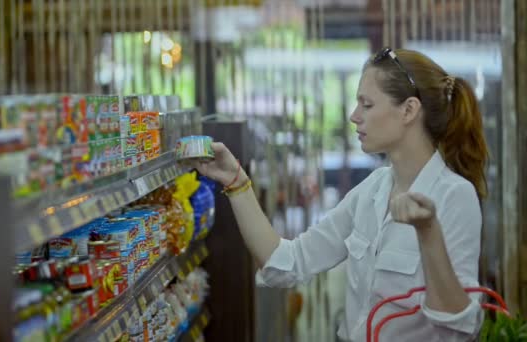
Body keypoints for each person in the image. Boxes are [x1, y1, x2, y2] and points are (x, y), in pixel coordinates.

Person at [195, 47, 488, 341]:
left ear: (409, 110)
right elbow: (286, 264)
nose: (353, 116)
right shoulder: (372, 190)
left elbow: (459, 327)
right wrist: (236, 181)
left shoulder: (455, 196)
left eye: (367, 105)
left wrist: (428, 233)